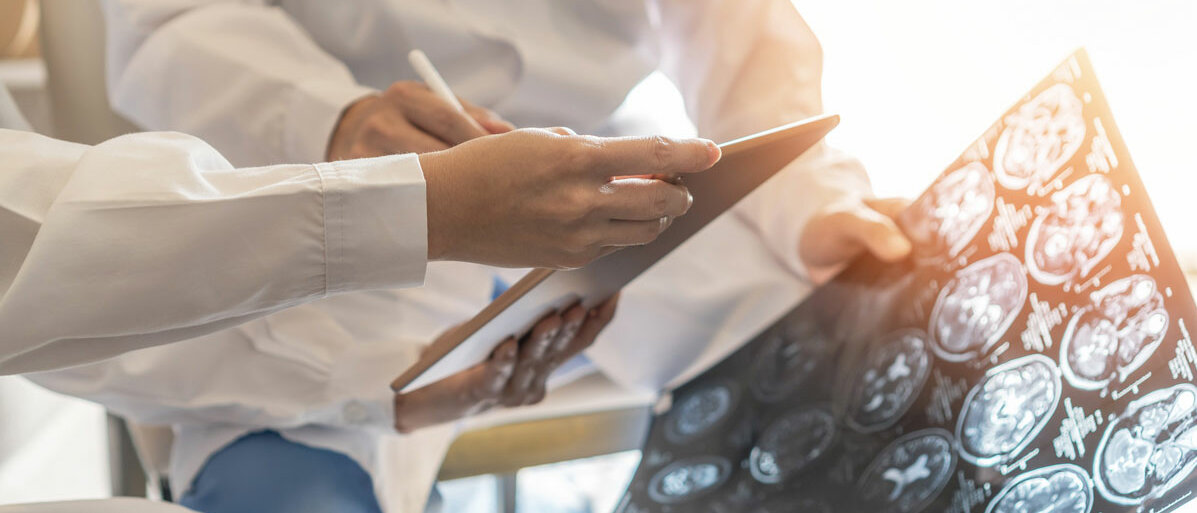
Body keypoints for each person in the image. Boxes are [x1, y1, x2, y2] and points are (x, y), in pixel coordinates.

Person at [31, 1, 913, 512]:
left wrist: (809, 203)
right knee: (293, 475)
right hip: (309, 177)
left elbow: (735, 29)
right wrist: (336, 123)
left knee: (863, 362)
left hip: (600, 174)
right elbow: (166, 24)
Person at [0, 82, 719, 511]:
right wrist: (420, 196)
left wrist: (384, 392)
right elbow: (48, 259)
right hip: (276, 208)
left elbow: (43, 286)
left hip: (439, 277)